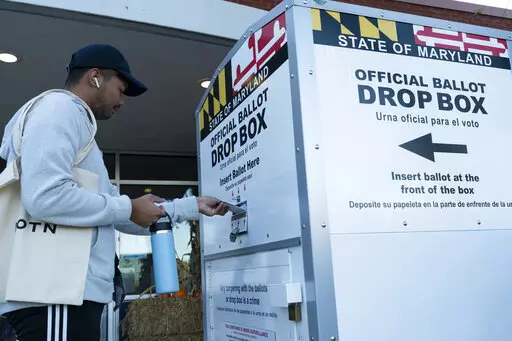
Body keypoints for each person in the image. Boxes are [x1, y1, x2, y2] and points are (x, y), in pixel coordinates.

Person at [0, 43, 228, 341]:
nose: (122, 101)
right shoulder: (58, 109)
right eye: (121, 89)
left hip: (63, 295)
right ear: (95, 77)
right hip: (53, 295)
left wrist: (192, 205)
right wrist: (129, 207)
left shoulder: (78, 126)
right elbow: (45, 196)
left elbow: (120, 214)